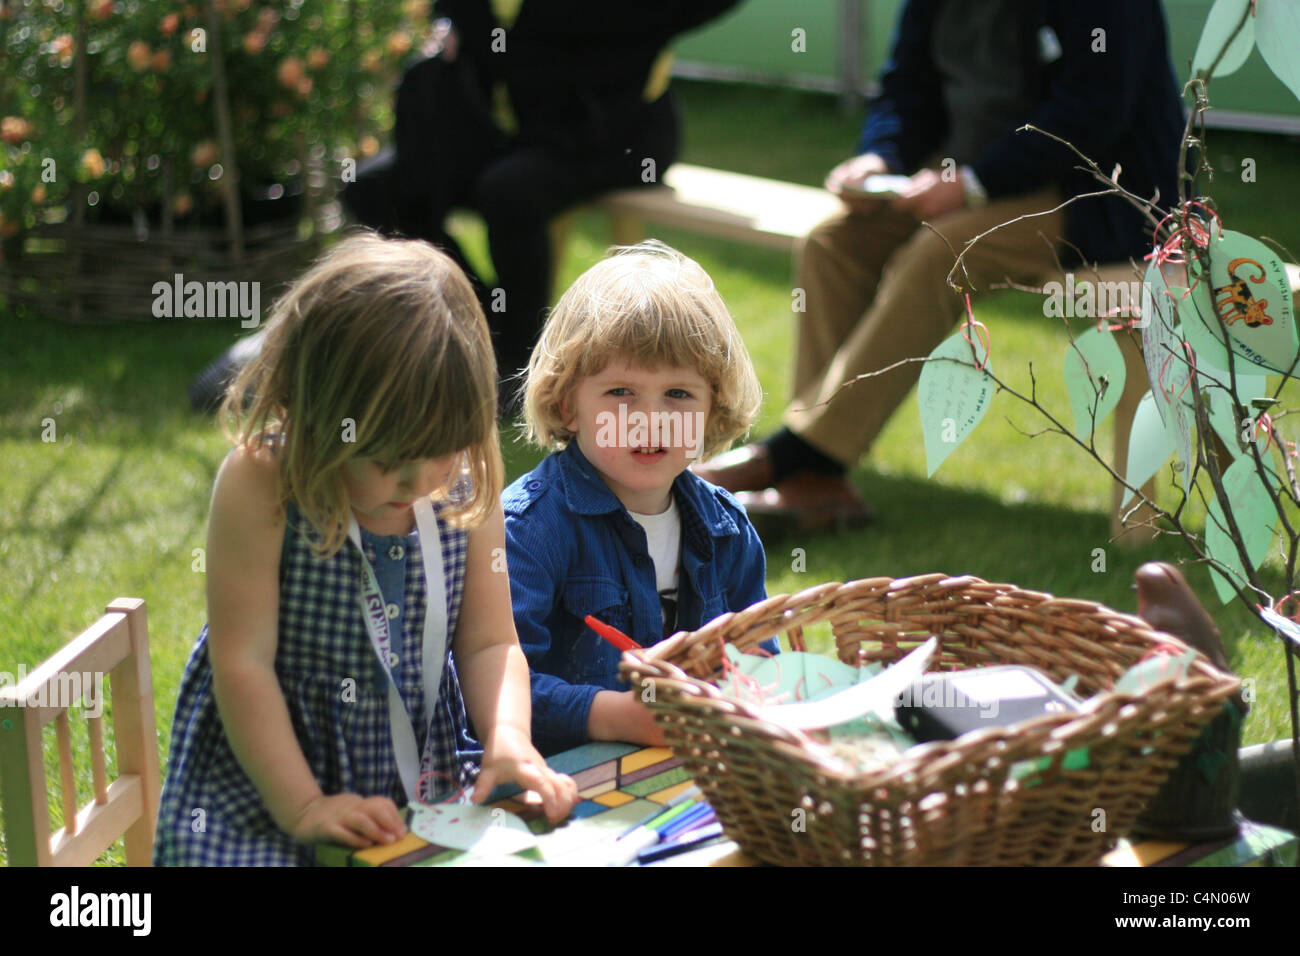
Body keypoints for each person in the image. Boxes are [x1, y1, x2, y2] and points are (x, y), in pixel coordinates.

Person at [155, 234, 577, 866]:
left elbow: (491, 643)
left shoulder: (462, 478)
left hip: (424, 772)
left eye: (442, 450)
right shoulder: (265, 480)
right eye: (384, 461)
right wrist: (303, 807)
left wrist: (509, 737)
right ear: (315, 412)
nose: (418, 483)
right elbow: (241, 663)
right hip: (269, 780)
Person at [696, 0, 1184, 533]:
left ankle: (800, 455)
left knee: (939, 253)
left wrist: (975, 182)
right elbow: (906, 88)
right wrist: (880, 158)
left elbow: (1094, 108)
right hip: (966, 182)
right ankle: (819, 476)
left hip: (1096, 198)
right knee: (832, 242)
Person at [341, 0, 742, 409]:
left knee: (509, 190)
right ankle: (475, 319)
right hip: (500, 127)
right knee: (373, 189)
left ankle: (521, 360)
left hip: (616, 138)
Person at [503, 240, 776, 755]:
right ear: (568, 405)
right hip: (566, 774)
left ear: (712, 411)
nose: (649, 419)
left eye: (678, 394)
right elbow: (496, 686)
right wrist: (619, 717)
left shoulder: (728, 530)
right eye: (620, 393)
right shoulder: (527, 530)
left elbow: (761, 661)